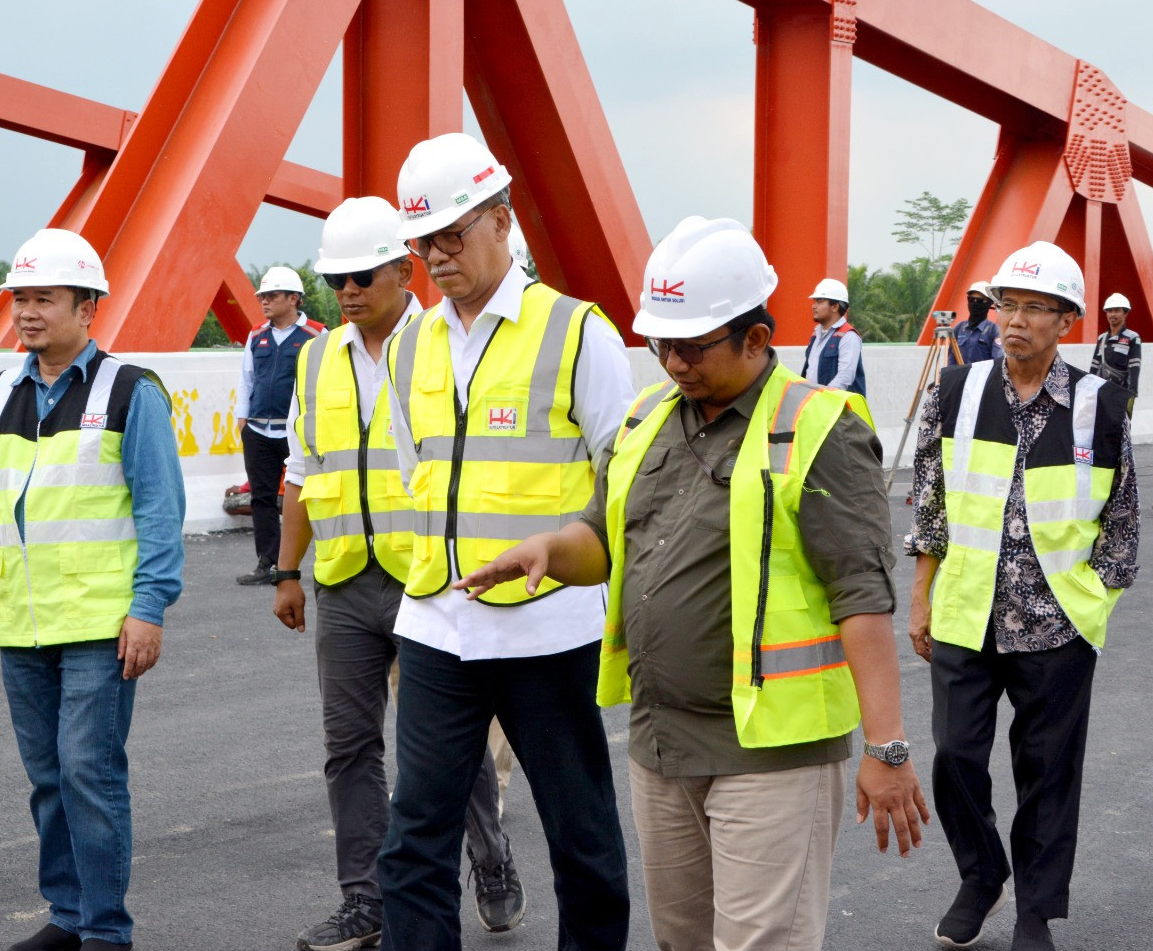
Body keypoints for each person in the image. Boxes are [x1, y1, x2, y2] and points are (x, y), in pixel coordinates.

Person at [457, 217, 929, 951]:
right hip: (661, 742)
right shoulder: (646, 420)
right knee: (682, 941)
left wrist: (888, 747)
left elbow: (862, 598)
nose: (673, 362)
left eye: (692, 346)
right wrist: (551, 551)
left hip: (772, 754)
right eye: (661, 344)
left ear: (756, 339)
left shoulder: (818, 428)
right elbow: (603, 539)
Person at [377, 132, 636, 951]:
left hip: (546, 628)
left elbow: (621, 487)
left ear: (502, 219)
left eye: (452, 234)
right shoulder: (411, 343)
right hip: (436, 627)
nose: (437, 257)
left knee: (583, 840)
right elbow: (417, 467)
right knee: (414, 841)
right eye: (424, 243)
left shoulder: (577, 333)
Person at [0, 229, 187, 951]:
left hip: (103, 626)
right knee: (47, 780)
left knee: (88, 774)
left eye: (45, 298)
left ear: (88, 306)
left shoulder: (131, 392)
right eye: (20, 298)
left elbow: (162, 510)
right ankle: (68, 917)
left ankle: (104, 930)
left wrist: (149, 608)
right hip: (24, 625)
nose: (28, 312)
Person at [271, 196, 523, 950]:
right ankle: (366, 900)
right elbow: (299, 469)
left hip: (429, 578)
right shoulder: (314, 358)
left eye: (362, 276)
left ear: (400, 270)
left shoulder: (445, 344)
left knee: (444, 744)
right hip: (345, 579)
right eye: (335, 280)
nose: (346, 292)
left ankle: (491, 857)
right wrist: (288, 569)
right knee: (349, 746)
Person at [906, 241, 1138, 951]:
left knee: (1047, 776)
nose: (1017, 319)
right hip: (966, 614)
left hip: (1057, 625)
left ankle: (1036, 910)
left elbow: (1121, 520)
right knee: (954, 755)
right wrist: (921, 597)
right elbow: (930, 504)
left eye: (1037, 308)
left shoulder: (1101, 403)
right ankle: (982, 876)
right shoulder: (955, 390)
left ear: (1066, 321)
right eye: (1009, 303)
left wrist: (1091, 604)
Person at [235, 265, 324, 585]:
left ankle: (314, 560)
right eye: (262, 297)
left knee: (310, 495)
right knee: (262, 497)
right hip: (258, 429)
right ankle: (267, 563)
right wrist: (242, 419)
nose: (265, 302)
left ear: (294, 299)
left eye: (272, 296)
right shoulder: (256, 335)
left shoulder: (317, 334)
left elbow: (324, 381)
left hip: (298, 430)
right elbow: (246, 379)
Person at [801, 277, 866, 395]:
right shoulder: (816, 335)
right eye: (815, 301)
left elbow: (845, 377)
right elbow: (809, 373)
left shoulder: (848, 336)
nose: (814, 306)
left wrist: (823, 397)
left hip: (839, 410)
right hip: (818, 406)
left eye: (819, 301)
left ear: (835, 306)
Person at [1088, 293, 1141, 412]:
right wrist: (1088, 388)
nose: (1112, 314)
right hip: (1101, 392)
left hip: (1122, 393)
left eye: (1117, 311)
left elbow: (1135, 367)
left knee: (1120, 428)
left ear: (1125, 313)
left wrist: (1132, 393)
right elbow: (1094, 366)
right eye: (1109, 311)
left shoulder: (1132, 338)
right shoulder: (1102, 338)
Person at [954, 281, 1001, 363]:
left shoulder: (994, 331)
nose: (974, 303)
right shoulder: (959, 328)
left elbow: (998, 362)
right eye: (971, 300)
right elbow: (951, 359)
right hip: (960, 375)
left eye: (979, 301)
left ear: (989, 303)